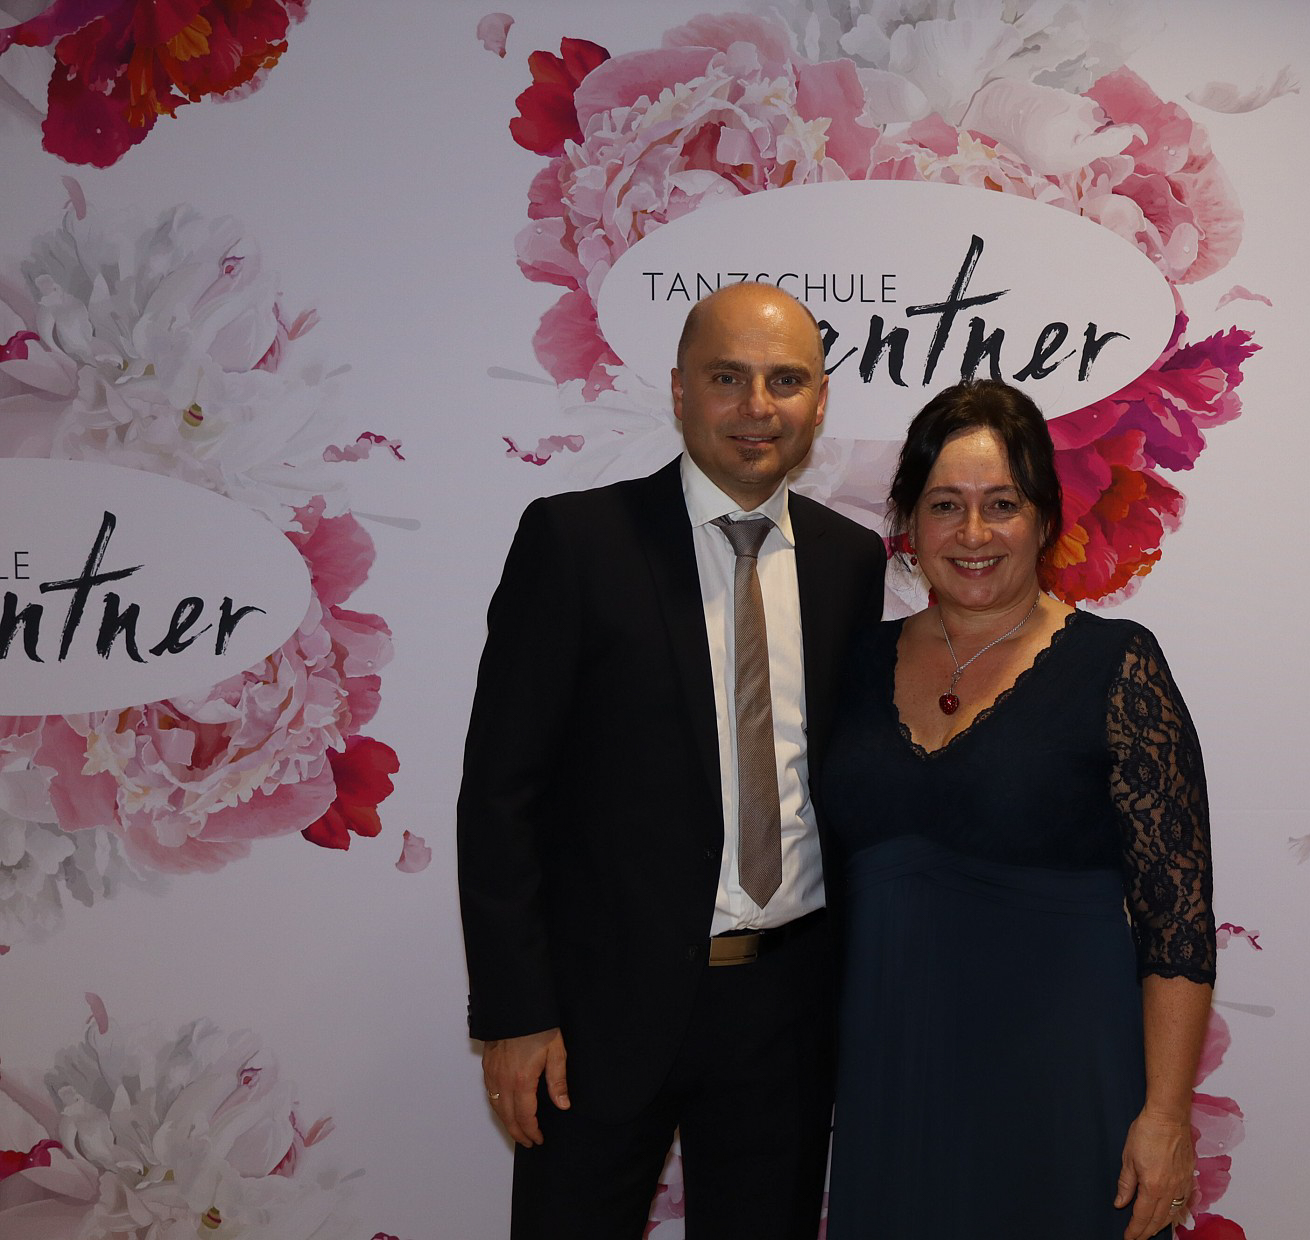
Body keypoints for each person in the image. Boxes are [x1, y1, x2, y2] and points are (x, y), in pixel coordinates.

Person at [456, 281, 887, 1238]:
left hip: (785, 1007)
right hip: (597, 1013)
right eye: (727, 377)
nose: (757, 405)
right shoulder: (575, 542)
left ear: (820, 401)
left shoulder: (850, 561)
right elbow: (499, 795)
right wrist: (516, 1013)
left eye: (786, 380)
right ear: (680, 390)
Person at [819, 379, 1217, 1240]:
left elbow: (1177, 924)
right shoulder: (851, 663)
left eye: (1001, 504)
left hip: (1064, 1088)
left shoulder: (1118, 666)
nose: (973, 534)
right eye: (944, 505)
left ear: (1044, 519)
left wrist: (1164, 1117)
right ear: (909, 523)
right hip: (895, 1086)